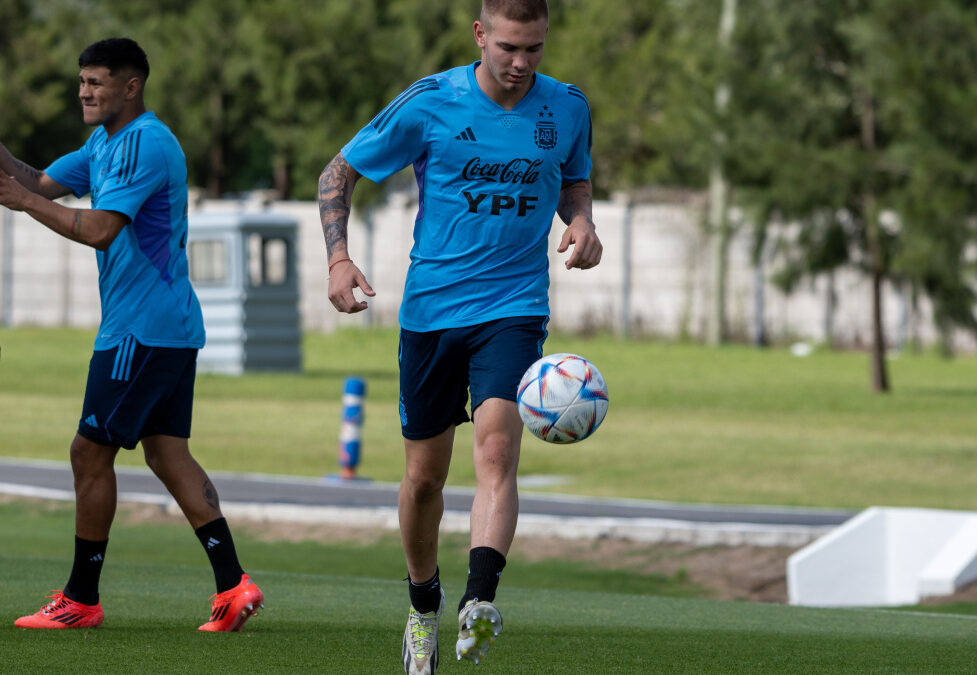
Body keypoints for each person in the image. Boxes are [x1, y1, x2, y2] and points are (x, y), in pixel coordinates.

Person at [317, 1, 601, 671]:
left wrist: (582, 222)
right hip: (430, 313)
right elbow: (337, 172)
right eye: (507, 46)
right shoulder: (429, 102)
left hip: (514, 306)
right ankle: (423, 607)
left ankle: (479, 599)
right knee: (422, 480)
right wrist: (336, 257)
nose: (521, 62)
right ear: (479, 35)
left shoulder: (566, 107)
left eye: (533, 48)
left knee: (497, 446)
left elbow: (575, 176)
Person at [0, 38, 263, 632]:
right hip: (164, 327)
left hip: (139, 332)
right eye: (82, 81)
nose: (84, 92)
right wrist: (12, 174)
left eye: (95, 82)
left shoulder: (148, 143)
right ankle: (234, 584)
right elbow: (36, 181)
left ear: (130, 86)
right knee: (167, 454)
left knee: (88, 453)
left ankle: (80, 599)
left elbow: (98, 229)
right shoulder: (102, 143)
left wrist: (18, 199)